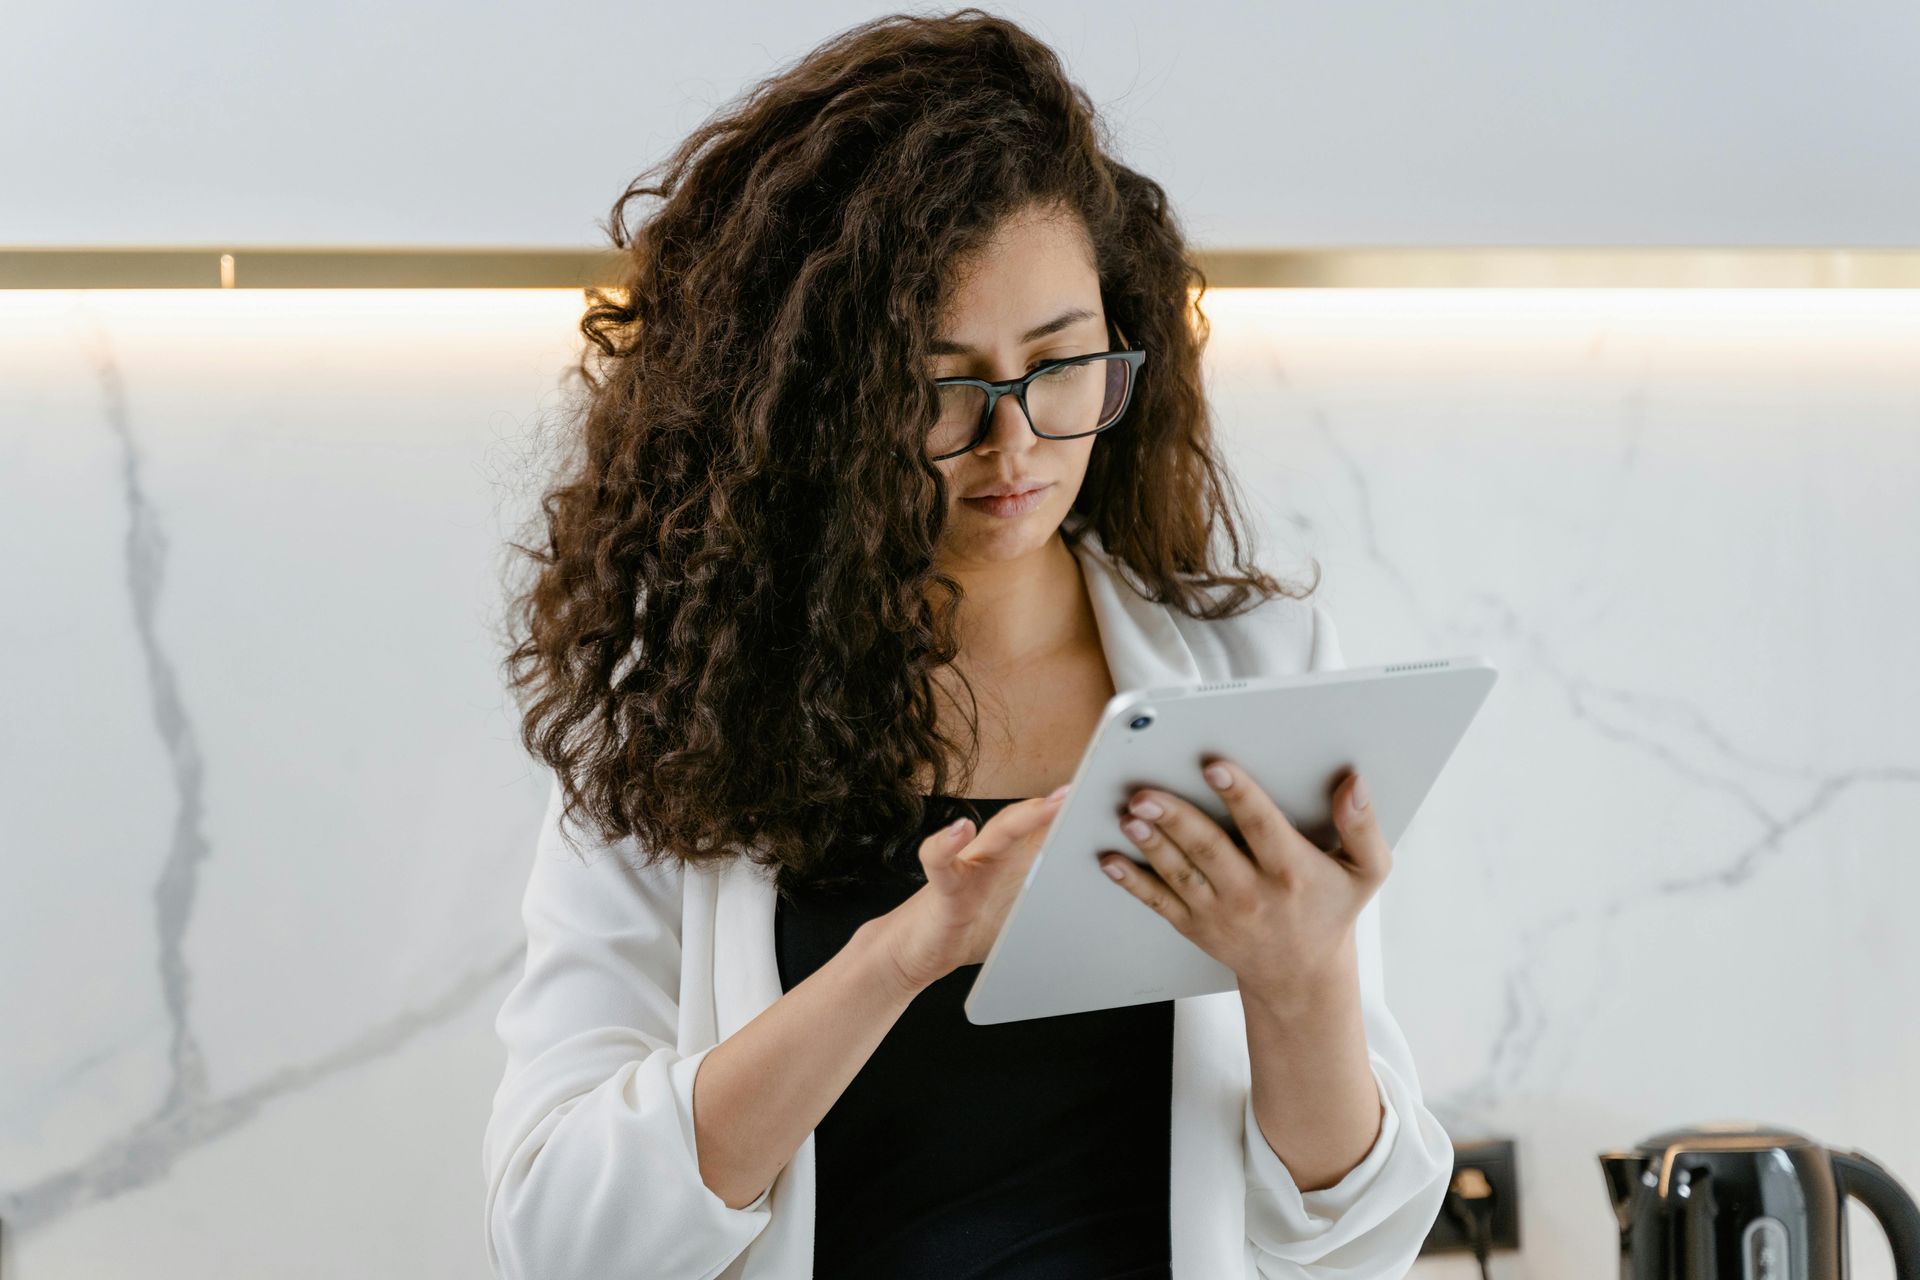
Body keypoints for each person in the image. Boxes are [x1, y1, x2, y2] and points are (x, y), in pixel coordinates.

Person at [482, 9, 1453, 1278]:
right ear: (817, 400)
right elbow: (559, 1234)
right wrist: (909, 947)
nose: (1018, 447)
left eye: (1062, 365)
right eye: (943, 387)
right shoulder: (675, 716)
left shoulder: (1258, 671)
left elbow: (1354, 1238)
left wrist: (1300, 975)